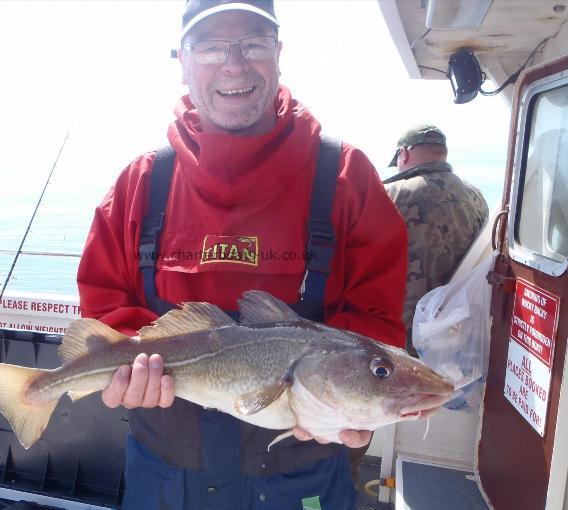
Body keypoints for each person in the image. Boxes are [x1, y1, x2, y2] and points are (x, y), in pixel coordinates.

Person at [77, 1, 408, 508]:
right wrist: (128, 366)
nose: (234, 63)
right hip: (166, 468)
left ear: (278, 53)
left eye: (253, 43)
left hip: (299, 467)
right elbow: (103, 303)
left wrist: (353, 406)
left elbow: (376, 322)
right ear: (182, 61)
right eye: (209, 47)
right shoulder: (140, 184)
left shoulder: (346, 178)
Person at [384, 125, 489, 355]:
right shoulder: (476, 196)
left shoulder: (389, 195)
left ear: (404, 154)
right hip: (457, 327)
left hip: (403, 334)